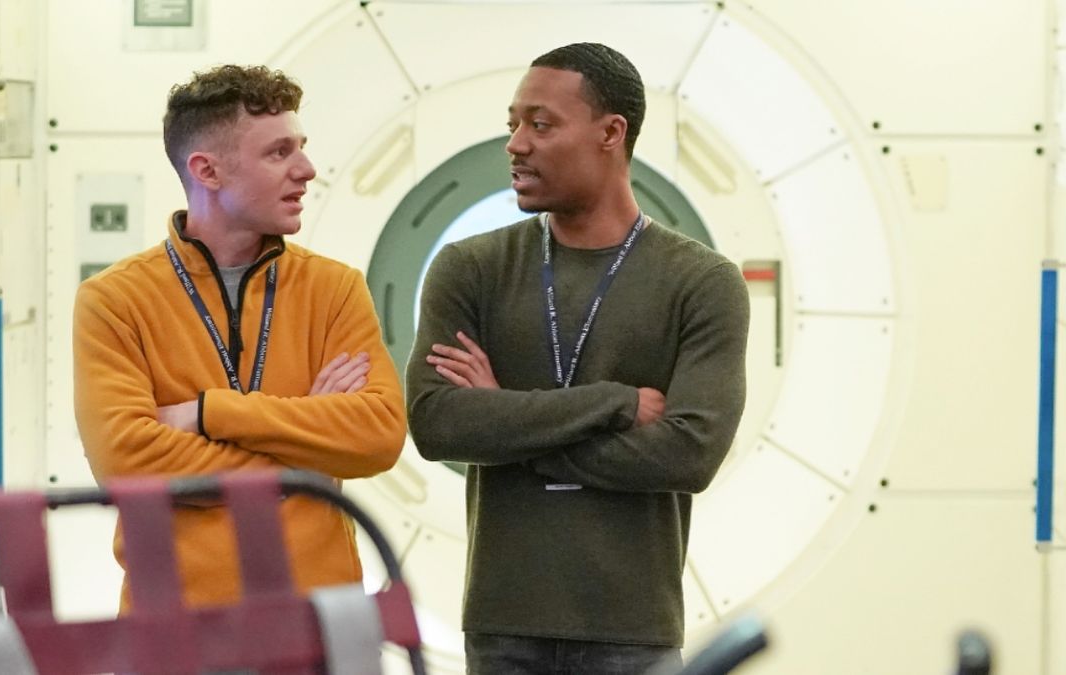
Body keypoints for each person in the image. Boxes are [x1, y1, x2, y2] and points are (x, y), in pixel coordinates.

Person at [406, 43, 750, 674]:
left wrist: (505, 419)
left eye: (540, 124)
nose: (515, 144)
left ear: (610, 133)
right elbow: (438, 425)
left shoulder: (702, 281)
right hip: (502, 624)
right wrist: (612, 403)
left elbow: (690, 453)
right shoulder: (470, 269)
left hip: (634, 630)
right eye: (512, 124)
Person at [73, 64, 406, 609]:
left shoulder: (334, 288)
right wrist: (306, 458)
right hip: (176, 626)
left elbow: (378, 435)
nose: (307, 169)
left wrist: (209, 414)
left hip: (319, 623)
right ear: (207, 171)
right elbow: (128, 462)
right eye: (279, 153)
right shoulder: (115, 300)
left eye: (301, 147)